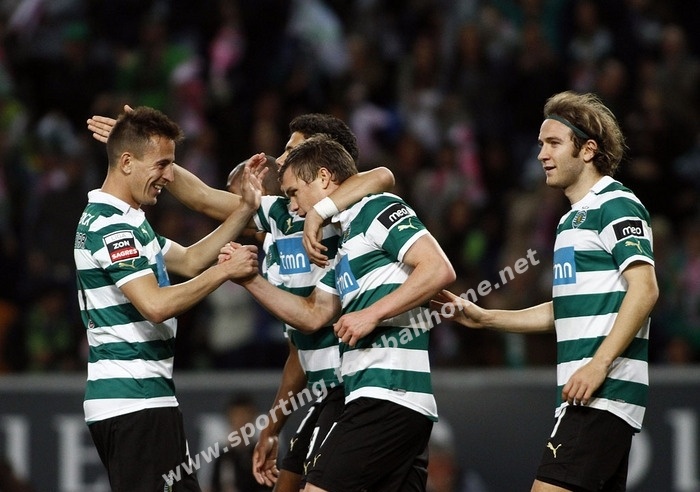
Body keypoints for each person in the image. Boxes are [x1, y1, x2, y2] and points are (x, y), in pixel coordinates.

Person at [86, 111, 395, 492]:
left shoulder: (351, 210)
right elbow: (201, 199)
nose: (281, 159)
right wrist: (145, 150)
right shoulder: (280, 215)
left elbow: (382, 176)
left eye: (293, 151)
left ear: (323, 166)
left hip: (359, 385)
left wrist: (321, 213)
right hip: (322, 386)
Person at [433, 91, 658, 492]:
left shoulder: (616, 204)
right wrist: (486, 318)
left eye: (553, 143)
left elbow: (645, 290)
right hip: (584, 392)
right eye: (540, 144)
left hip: (601, 393)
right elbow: (564, 310)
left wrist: (598, 365)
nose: (541, 154)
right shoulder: (570, 222)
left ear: (587, 150)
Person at [223, 133, 456, 491]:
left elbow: (438, 269)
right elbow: (312, 315)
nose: (293, 207)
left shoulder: (377, 208)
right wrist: (250, 280)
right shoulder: (345, 244)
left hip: (388, 392)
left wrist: (372, 314)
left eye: (293, 193)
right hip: (379, 399)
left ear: (323, 177)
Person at [74, 106, 261, 491]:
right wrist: (225, 272)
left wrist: (245, 210)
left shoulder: (129, 220)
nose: (169, 177)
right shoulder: (111, 226)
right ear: (127, 162)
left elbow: (190, 260)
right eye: (161, 165)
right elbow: (155, 305)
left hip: (147, 399)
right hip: (133, 401)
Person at [210, 393, 269, 492]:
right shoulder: (223, 457)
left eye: (245, 415)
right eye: (237, 416)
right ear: (230, 419)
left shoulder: (265, 454)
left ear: (253, 418)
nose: (242, 421)